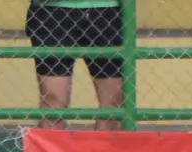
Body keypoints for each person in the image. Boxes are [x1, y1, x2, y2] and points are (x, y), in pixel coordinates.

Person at [26, 0, 123, 130]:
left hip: (107, 9)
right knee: (53, 103)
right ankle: (52, 150)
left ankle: (103, 150)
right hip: (52, 10)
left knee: (112, 104)